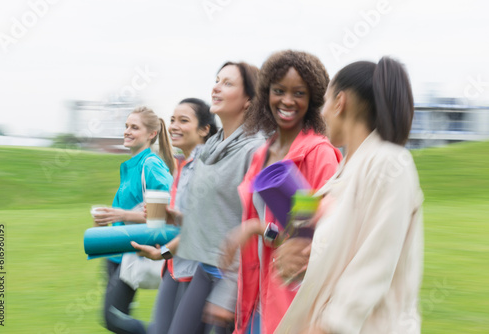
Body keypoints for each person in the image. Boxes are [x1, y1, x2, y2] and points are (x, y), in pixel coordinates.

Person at [275, 57, 424, 334]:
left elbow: (375, 261)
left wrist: (332, 324)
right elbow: (325, 257)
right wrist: (291, 260)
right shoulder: (338, 178)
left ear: (340, 102)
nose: (322, 113)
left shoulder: (390, 163)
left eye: (326, 101)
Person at [134, 61, 264, 334]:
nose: (216, 87)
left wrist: (229, 292)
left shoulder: (256, 151)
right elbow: (204, 222)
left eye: (228, 83)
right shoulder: (211, 151)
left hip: (234, 277)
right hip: (207, 269)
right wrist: (172, 229)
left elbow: (255, 226)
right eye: (217, 80)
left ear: (249, 100)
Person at [219, 50, 342, 334]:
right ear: (266, 94)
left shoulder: (318, 154)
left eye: (299, 92)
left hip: (294, 302)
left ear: (313, 99)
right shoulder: (260, 155)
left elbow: (318, 238)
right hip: (256, 297)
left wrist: (255, 228)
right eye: (279, 91)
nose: (287, 101)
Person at [131, 98, 217, 334]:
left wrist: (163, 252)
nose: (174, 126)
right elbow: (187, 220)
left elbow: (200, 227)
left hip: (194, 270)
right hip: (174, 267)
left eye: (184, 120)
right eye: (172, 120)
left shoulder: (205, 166)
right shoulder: (186, 165)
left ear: (204, 129)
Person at [94, 106, 174, 334]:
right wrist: (108, 219)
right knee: (118, 318)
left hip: (132, 255)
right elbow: (132, 211)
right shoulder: (131, 166)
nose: (127, 131)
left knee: (113, 319)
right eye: (127, 126)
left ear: (151, 134)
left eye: (134, 127)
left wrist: (121, 215)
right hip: (115, 251)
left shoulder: (150, 165)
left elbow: (166, 214)